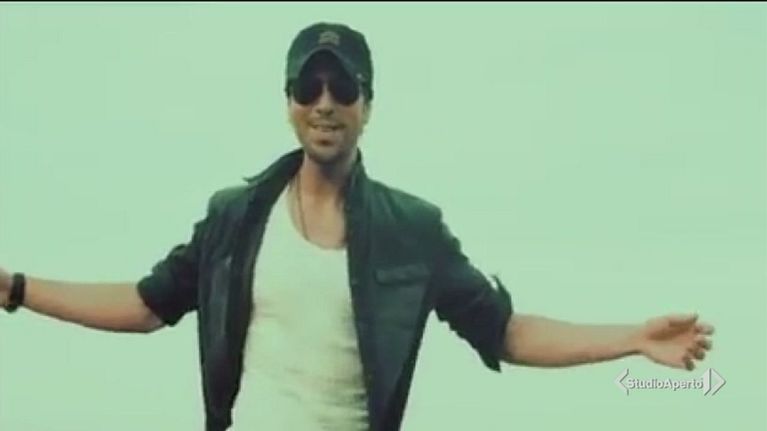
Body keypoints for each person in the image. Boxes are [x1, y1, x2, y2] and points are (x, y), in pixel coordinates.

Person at [0, 22, 714, 431]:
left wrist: (630, 338)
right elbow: (144, 304)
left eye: (342, 87)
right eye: (308, 87)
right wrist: (18, 288)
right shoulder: (234, 217)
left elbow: (504, 330)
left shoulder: (412, 231)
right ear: (288, 100)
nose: (325, 102)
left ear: (367, 104)